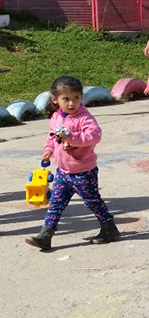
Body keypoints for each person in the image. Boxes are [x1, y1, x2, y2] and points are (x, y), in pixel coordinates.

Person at [25, 76, 119, 250]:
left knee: (93, 202)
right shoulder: (56, 117)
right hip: (63, 172)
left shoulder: (84, 117)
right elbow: (52, 137)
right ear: (55, 99)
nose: (71, 103)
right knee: (56, 204)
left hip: (83, 171)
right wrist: (49, 150)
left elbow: (94, 135)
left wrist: (73, 139)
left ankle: (109, 228)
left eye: (76, 98)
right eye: (66, 99)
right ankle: (45, 235)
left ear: (81, 97)